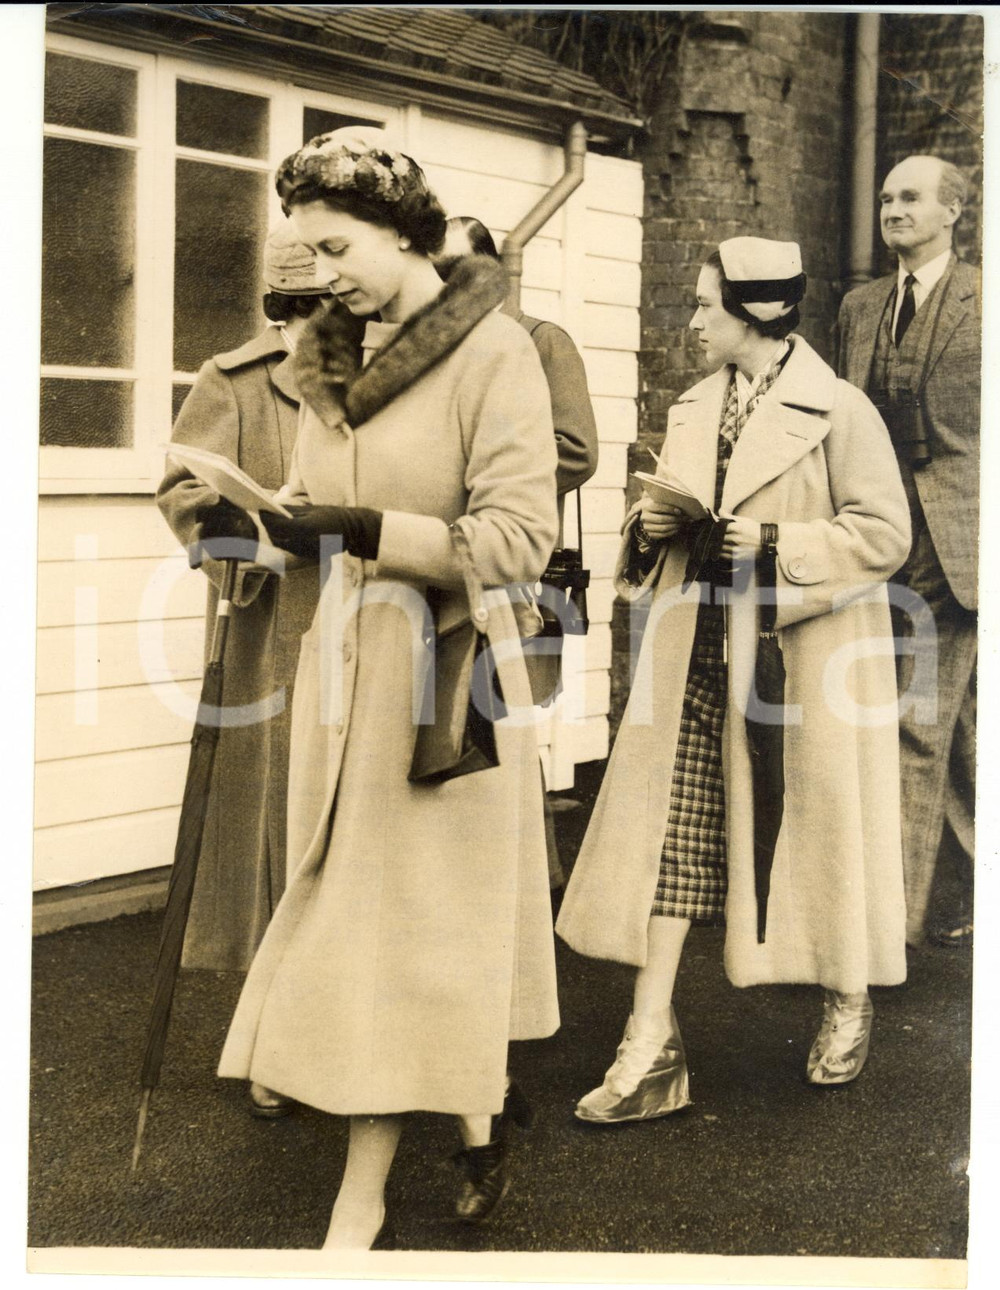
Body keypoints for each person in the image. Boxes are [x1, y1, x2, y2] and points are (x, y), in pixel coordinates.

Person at [207, 128, 560, 1249]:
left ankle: (359, 1200)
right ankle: (475, 1122)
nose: (323, 273)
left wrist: (367, 528)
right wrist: (257, 527)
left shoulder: (493, 352)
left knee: (397, 926)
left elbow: (518, 538)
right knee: (394, 925)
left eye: (337, 245)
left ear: (404, 232)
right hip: (346, 666)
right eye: (307, 251)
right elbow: (313, 498)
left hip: (444, 680)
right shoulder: (328, 354)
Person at [556, 238, 911, 1123]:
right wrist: (651, 525)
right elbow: (667, 520)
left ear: (754, 312)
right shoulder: (692, 407)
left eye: (705, 306)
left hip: (803, 657)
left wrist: (784, 544)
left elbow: (884, 534)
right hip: (699, 648)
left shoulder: (841, 411)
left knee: (823, 829)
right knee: (673, 833)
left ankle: (847, 997)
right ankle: (650, 1047)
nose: (692, 321)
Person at [156, 224, 332, 1117]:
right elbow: (184, 488)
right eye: (299, 310)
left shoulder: (382, 377)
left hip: (361, 616)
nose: (313, 326)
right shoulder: (231, 379)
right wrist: (235, 541)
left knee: (343, 821)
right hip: (267, 627)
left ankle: (345, 1027)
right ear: (277, 310)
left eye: (328, 306)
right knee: (270, 822)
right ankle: (268, 1039)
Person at [836, 155, 980, 950]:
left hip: (956, 545)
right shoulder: (860, 308)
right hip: (877, 537)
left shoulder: (985, 300)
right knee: (951, 738)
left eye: (911, 198)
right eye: (885, 196)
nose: (892, 209)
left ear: (954, 211)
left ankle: (886, 928)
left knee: (917, 726)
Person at [436, 215, 600, 902]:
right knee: (443, 714)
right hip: (441, 560)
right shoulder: (436, 348)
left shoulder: (539, 341)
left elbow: (575, 448)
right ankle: (461, 878)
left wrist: (482, 485)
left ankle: (531, 884)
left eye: (456, 269)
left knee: (500, 712)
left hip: (509, 561)